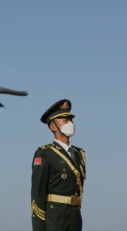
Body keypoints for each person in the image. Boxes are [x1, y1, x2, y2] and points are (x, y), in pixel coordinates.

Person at [31, 99, 86, 231]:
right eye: (65, 120)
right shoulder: (45, 153)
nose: (70, 123)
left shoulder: (79, 154)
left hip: (74, 216)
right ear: (53, 127)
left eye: (71, 120)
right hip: (55, 217)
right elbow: (37, 195)